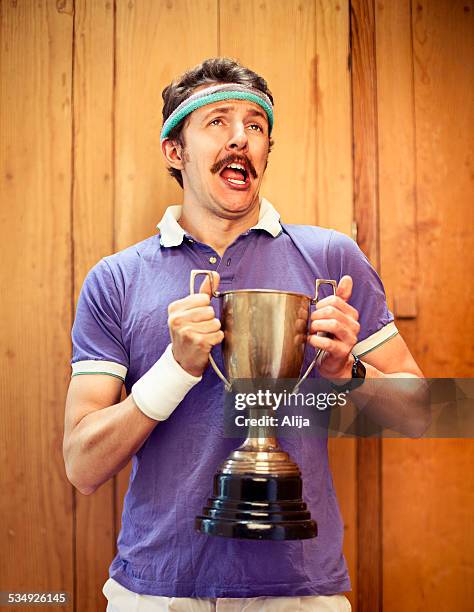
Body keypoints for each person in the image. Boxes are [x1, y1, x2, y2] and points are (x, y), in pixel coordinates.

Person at [63, 57, 424, 612]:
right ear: (174, 151)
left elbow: (423, 414)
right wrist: (174, 370)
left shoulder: (330, 259)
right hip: (155, 591)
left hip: (299, 592)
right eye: (218, 122)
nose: (240, 138)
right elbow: (82, 467)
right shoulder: (115, 279)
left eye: (255, 126)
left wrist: (343, 374)